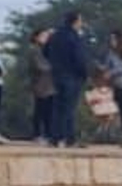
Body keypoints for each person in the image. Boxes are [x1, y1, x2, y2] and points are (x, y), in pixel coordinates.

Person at [45, 9, 90, 146]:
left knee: (58, 108)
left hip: (57, 75)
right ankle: (70, 138)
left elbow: (45, 51)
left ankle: (55, 138)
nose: (81, 24)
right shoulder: (74, 37)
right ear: (75, 22)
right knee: (69, 108)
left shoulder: (55, 36)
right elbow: (79, 58)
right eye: (80, 21)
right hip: (72, 75)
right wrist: (84, 73)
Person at [28, 29, 55, 143]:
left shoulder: (45, 50)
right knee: (40, 109)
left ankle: (48, 133)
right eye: (43, 36)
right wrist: (53, 68)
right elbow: (40, 66)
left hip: (48, 84)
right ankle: (37, 133)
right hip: (40, 83)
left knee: (48, 110)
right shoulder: (34, 50)